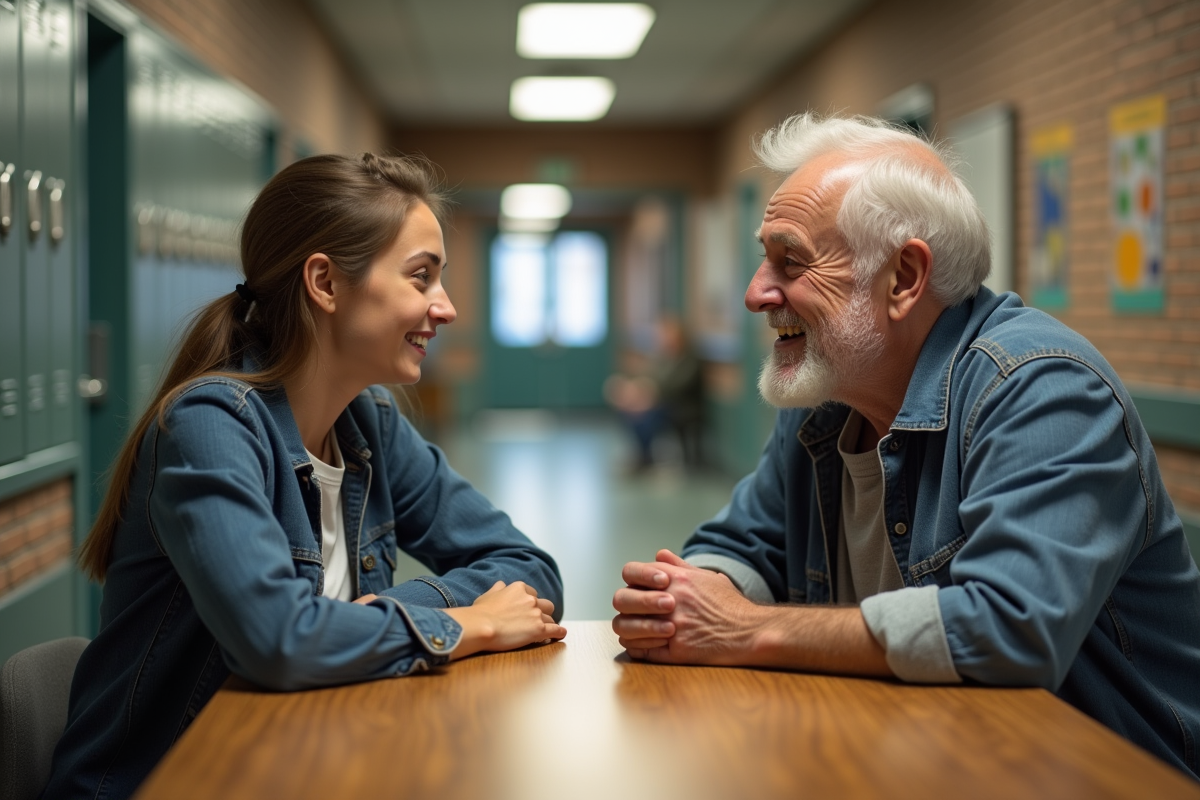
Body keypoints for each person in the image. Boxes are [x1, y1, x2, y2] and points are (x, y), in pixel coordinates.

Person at [612, 113, 1200, 779]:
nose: (756, 292)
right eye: (763, 258)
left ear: (903, 278)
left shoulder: (1041, 388)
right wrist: (686, 598)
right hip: (919, 757)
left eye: (790, 260)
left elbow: (1010, 627)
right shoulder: (829, 396)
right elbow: (748, 543)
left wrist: (743, 630)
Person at [46, 154, 567, 799]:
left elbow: (529, 569)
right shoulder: (211, 426)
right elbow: (278, 639)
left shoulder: (367, 422)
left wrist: (375, 618)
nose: (448, 308)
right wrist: (468, 622)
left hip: (302, 760)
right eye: (421, 278)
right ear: (325, 282)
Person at [604, 317, 706, 471]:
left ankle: (644, 458)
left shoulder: (690, 359)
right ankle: (643, 456)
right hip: (662, 403)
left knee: (647, 417)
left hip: (681, 408)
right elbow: (651, 377)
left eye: (668, 336)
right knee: (632, 413)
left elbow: (677, 387)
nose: (664, 340)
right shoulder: (663, 358)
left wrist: (650, 393)